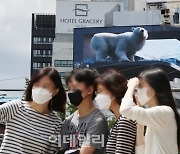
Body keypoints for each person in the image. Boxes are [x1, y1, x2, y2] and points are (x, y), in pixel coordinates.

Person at [0, 67, 66, 153]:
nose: (40, 89)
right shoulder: (16, 107)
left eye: (46, 86)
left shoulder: (56, 124)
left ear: (55, 91)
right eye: (37, 85)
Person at [120, 67, 180, 154]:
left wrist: (131, 86)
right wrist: (140, 121)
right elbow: (141, 151)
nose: (138, 91)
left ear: (154, 89)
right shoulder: (157, 115)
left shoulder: (165, 111)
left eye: (140, 86)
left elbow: (125, 110)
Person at [60, 68, 109, 154]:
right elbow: (61, 150)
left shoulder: (97, 121)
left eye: (74, 88)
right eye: (69, 88)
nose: (70, 92)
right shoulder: (68, 122)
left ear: (90, 90)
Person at [95, 69, 136, 154]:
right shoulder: (119, 120)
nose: (97, 97)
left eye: (100, 91)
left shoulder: (125, 120)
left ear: (114, 90)